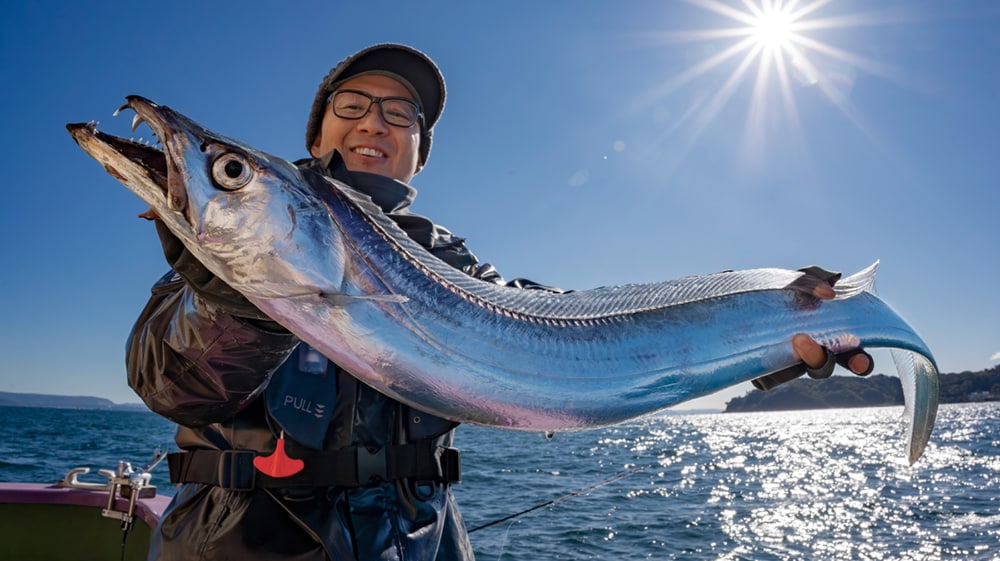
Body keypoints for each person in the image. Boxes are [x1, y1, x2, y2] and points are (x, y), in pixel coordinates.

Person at [126, 43, 873, 561]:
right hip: (236, 542)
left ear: (418, 149)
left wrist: (768, 322)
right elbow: (172, 384)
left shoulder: (455, 265)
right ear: (317, 129)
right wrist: (236, 291)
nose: (375, 123)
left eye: (400, 114)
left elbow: (579, 339)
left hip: (417, 541)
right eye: (352, 104)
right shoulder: (233, 236)